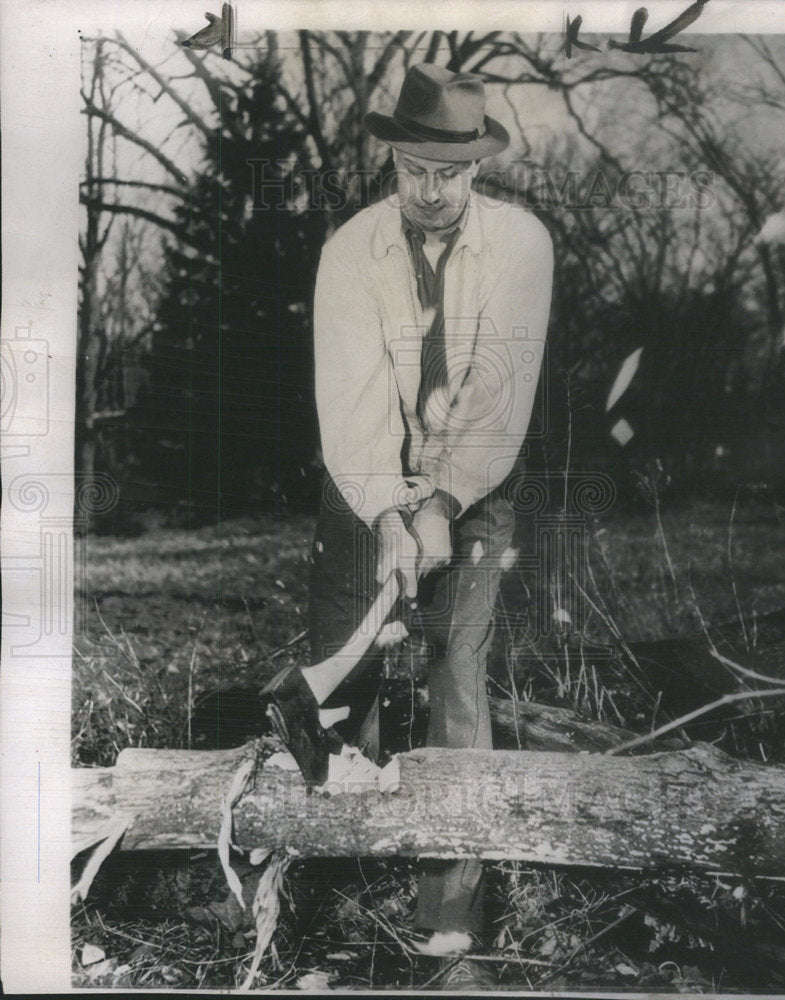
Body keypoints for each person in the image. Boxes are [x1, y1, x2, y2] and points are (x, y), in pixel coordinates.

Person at [263, 62, 553, 975]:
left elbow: (497, 401)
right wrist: (390, 511)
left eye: (450, 174)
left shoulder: (523, 246)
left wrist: (440, 504)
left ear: (477, 169)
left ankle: (447, 912)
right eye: (412, 171)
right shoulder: (351, 250)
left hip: (476, 475)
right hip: (361, 477)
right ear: (391, 157)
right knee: (345, 686)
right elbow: (350, 405)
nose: (430, 193)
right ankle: (340, 890)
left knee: (455, 671)